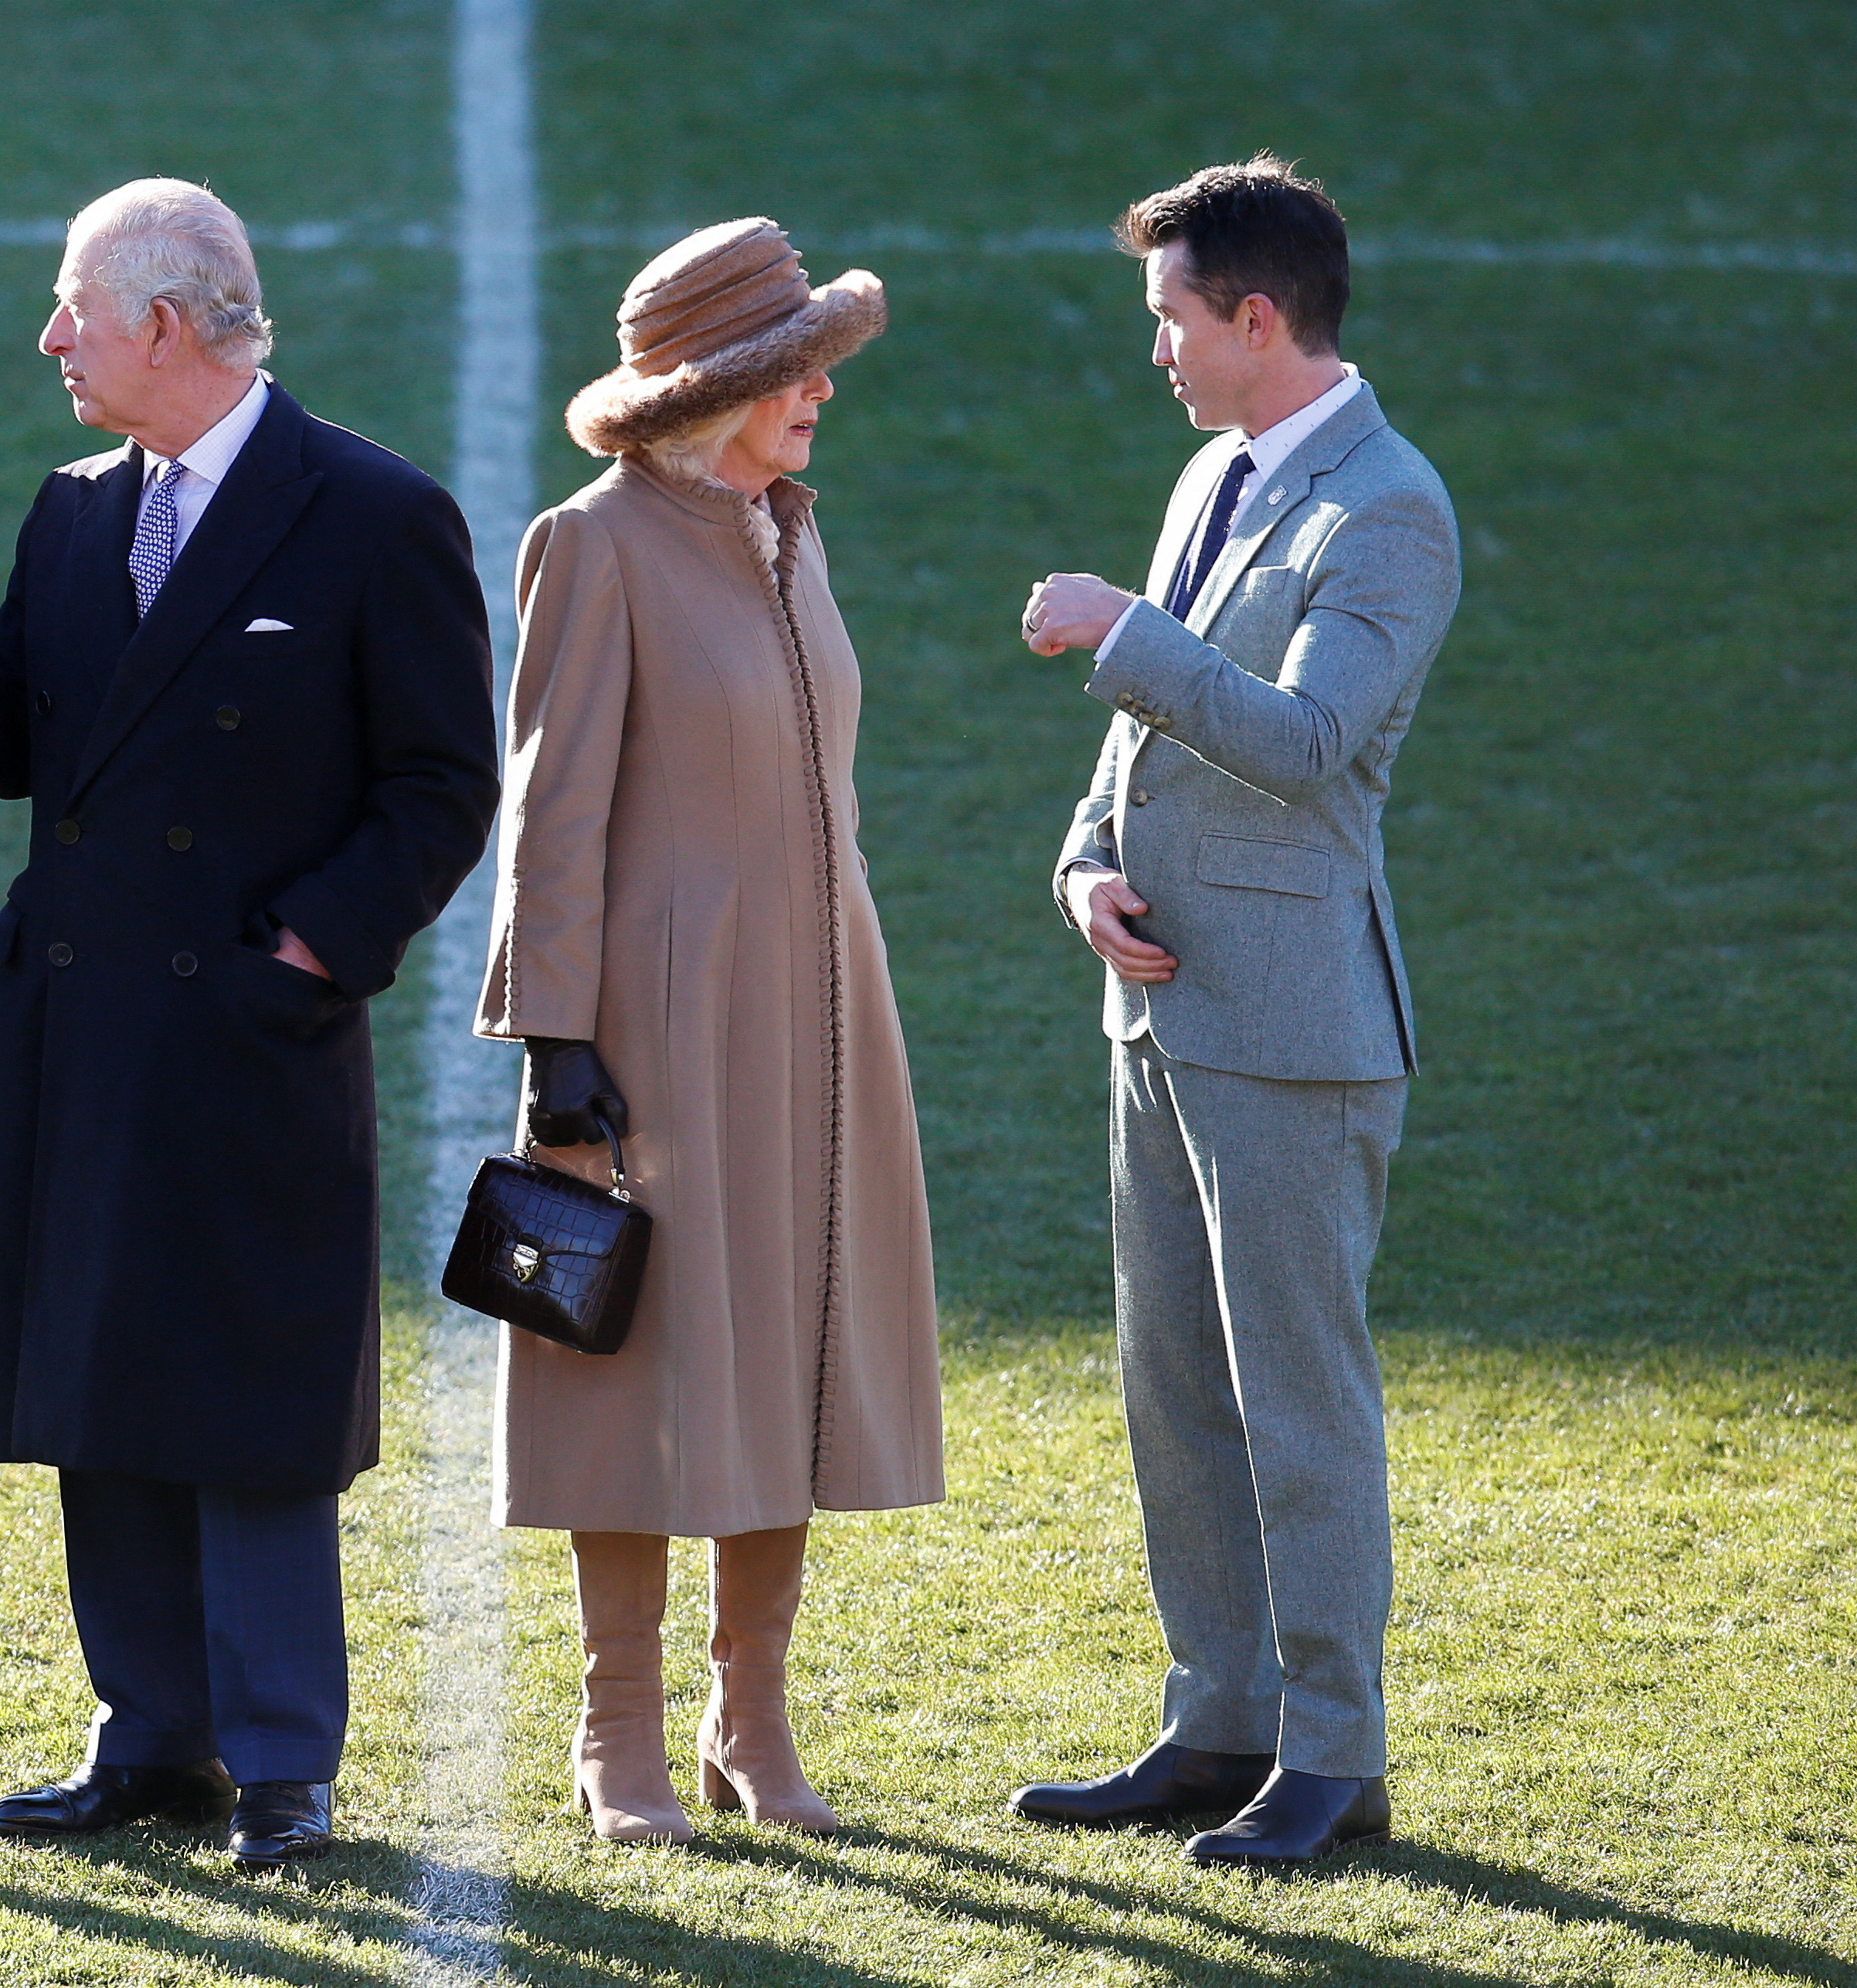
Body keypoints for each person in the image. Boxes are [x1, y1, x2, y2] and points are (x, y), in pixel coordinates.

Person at [0, 179, 496, 1873]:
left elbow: (440, 784)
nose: (50, 338)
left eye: (75, 310)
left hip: (253, 1032)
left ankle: (281, 1764)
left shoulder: (371, 512)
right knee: (104, 1378)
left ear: (172, 327)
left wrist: (308, 952)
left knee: (253, 1389)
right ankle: (153, 1743)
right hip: (87, 1023)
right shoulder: (69, 514)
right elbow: (43, 742)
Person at [1010, 155, 1460, 1867]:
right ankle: (1218, 1726)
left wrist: (1127, 631)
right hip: (1163, 1009)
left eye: (1170, 320)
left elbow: (1297, 740)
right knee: (1176, 1391)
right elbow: (1146, 755)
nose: (1159, 354)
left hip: (1293, 1031)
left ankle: (1333, 1756)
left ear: (1255, 319)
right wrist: (1083, 867)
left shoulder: (1386, 509)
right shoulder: (1219, 472)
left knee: (1297, 1399)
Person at [474, 219, 945, 1845]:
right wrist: (551, 1031)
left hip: (822, 1012)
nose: (819, 388)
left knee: (795, 1350)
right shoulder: (593, 542)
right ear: (715, 389)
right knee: (646, 1364)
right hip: (662, 1024)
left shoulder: (792, 532)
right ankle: (619, 1731)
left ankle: (753, 1720)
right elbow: (551, 806)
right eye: (787, 368)